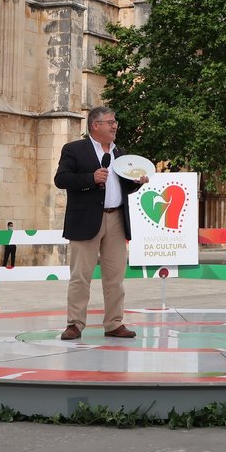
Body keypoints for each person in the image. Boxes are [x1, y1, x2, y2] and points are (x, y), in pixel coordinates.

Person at [54, 106, 148, 340]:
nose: (115, 125)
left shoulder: (120, 153)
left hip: (116, 218)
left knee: (115, 277)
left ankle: (114, 323)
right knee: (80, 276)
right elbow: (61, 179)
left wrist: (137, 183)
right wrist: (90, 178)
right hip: (85, 220)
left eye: (115, 121)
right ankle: (74, 324)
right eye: (110, 122)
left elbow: (123, 186)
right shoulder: (74, 149)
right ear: (95, 125)